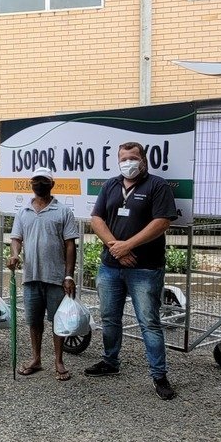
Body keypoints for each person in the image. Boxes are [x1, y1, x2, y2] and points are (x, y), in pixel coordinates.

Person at [85, 141, 178, 400]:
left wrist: (128, 246)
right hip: (110, 266)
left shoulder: (157, 186)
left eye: (133, 157)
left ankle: (159, 376)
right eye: (123, 158)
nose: (128, 162)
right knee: (110, 318)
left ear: (144, 160)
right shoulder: (111, 185)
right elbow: (96, 218)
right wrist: (116, 247)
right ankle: (110, 361)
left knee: (149, 322)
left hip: (145, 268)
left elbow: (162, 222)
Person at [6, 167, 79, 381]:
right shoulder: (23, 211)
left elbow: (70, 245)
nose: (39, 184)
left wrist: (69, 275)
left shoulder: (63, 211)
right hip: (31, 276)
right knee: (33, 320)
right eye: (36, 181)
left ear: (52, 184)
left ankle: (58, 361)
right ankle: (36, 359)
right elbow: (16, 238)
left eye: (44, 181)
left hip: (56, 277)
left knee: (58, 321)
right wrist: (15, 254)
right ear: (31, 184)